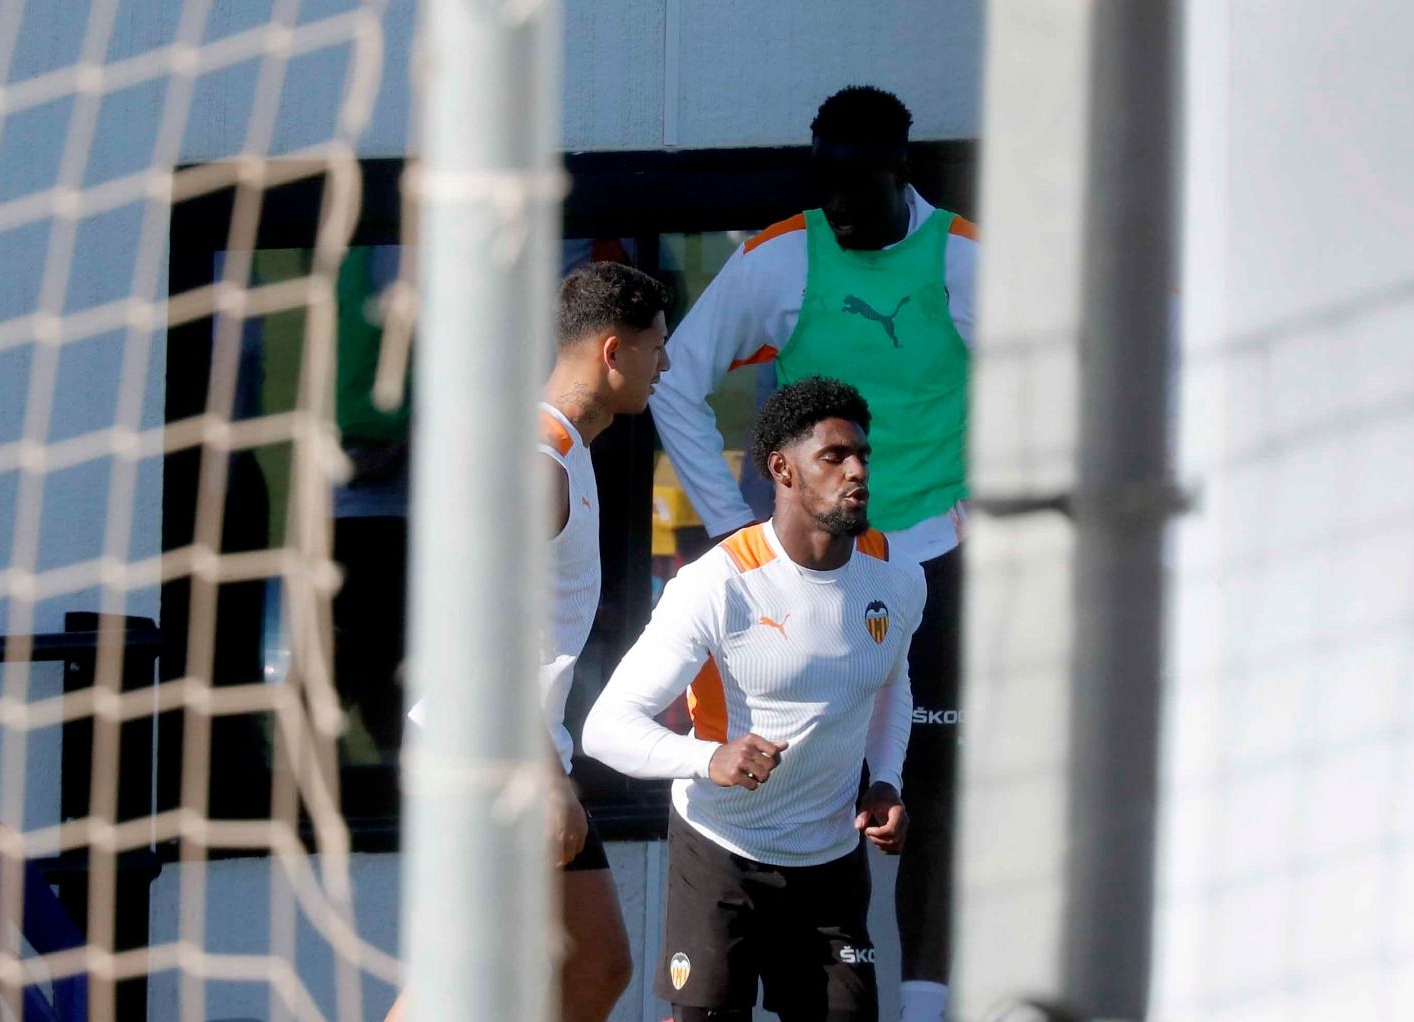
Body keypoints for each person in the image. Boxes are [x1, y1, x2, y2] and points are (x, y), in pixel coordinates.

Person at [648, 85, 975, 1022]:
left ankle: (920, 1005)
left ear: (899, 170)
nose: (838, 210)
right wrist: (725, 526)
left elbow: (1047, 376)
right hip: (813, 570)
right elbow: (674, 379)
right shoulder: (781, 256)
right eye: (823, 188)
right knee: (798, 762)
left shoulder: (960, 257)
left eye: (857, 190)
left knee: (926, 791)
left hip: (932, 559)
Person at [585, 377, 925, 1022]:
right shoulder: (715, 585)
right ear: (781, 469)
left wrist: (884, 780)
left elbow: (892, 683)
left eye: (862, 455)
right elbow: (605, 729)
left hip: (830, 863)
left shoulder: (897, 577)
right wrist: (706, 758)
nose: (856, 471)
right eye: (833, 457)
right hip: (720, 855)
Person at [387, 261, 673, 1022]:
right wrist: (549, 778)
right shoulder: (536, 463)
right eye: (657, 347)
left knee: (596, 965)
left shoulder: (567, 449)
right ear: (614, 352)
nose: (666, 365)